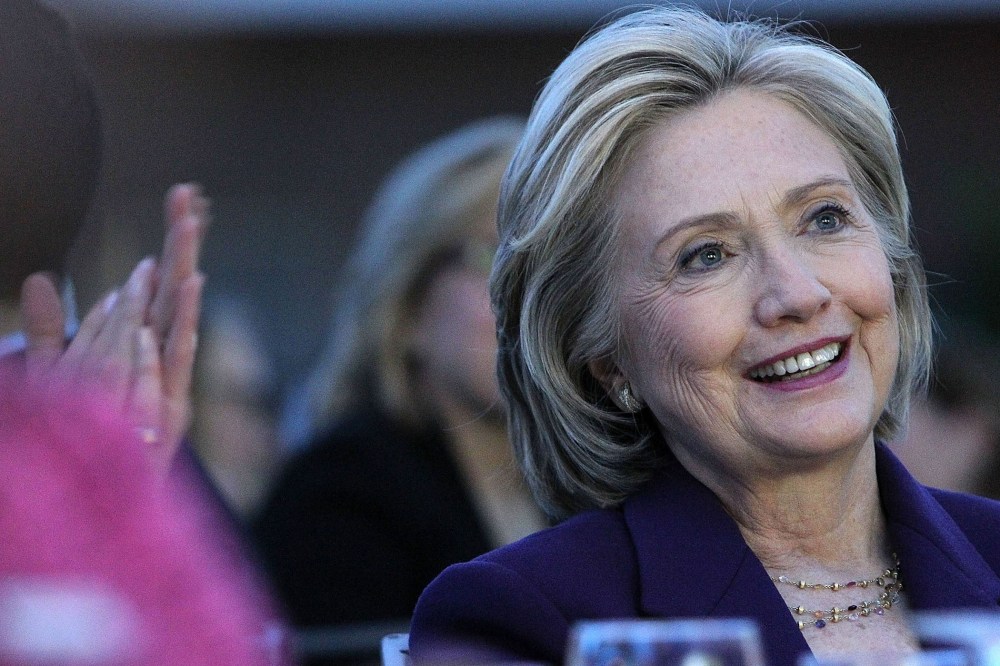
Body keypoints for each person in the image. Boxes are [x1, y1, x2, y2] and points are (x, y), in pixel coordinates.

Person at [409, 7, 1000, 665]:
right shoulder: (529, 619)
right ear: (605, 357)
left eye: (825, 219)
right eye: (706, 255)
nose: (797, 294)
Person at [253, 117, 547, 654]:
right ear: (408, 309)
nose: (527, 298)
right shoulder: (338, 497)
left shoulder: (602, 490)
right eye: (493, 257)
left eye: (549, 262)